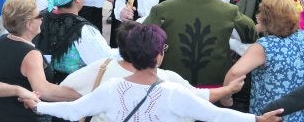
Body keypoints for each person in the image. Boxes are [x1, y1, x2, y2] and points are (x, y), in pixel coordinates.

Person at [23, 24, 285, 122]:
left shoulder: (112, 88)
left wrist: (38, 106)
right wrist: (256, 120)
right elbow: (215, 115)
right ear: (159, 55)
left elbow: (73, 110)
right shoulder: (172, 92)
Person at [60, 20, 247, 122]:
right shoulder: (168, 80)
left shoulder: (102, 68)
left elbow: (63, 89)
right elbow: (203, 101)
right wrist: (229, 89)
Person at [144, 0, 256, 87]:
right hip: (214, 90)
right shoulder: (229, 12)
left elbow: (142, 41)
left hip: (171, 88)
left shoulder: (162, 9)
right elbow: (251, 33)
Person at [224, 0, 304, 121]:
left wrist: (225, 97)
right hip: (302, 115)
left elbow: (234, 73)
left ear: (266, 18)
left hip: (272, 116)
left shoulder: (264, 47)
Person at [0, 0, 81, 121]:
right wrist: (80, 95)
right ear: (29, 24)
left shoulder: (1, 41)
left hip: (2, 114)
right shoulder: (31, 54)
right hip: (26, 117)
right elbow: (44, 90)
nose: (42, 18)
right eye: (39, 15)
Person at [33, 0, 118, 84]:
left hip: (45, 84)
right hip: (75, 90)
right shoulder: (83, 31)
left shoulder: (39, 17)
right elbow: (105, 62)